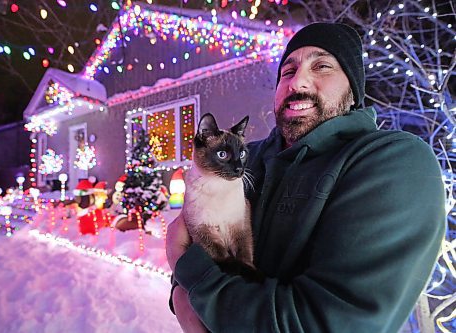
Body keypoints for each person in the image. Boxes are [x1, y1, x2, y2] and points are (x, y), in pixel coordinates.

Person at [166, 22, 446, 333]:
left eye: (322, 66)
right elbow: (193, 235)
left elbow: (322, 324)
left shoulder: (394, 162)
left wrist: (187, 279)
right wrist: (183, 290)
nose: (297, 81)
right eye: (287, 71)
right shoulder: (251, 158)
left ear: (354, 90)